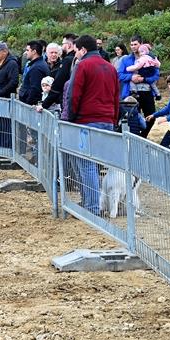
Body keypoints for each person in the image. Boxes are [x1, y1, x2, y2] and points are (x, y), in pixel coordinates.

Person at [68, 35, 120, 214]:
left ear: (82, 50)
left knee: (86, 164)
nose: (75, 54)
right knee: (92, 165)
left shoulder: (83, 65)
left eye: (76, 51)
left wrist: (71, 119)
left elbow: (74, 94)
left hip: (86, 121)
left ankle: (92, 206)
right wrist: (113, 120)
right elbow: (116, 97)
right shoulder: (110, 67)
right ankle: (91, 202)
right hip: (107, 121)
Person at [118, 35, 160, 138]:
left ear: (141, 44)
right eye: (131, 45)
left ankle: (142, 137)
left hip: (147, 92)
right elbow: (119, 75)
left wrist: (144, 79)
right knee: (132, 118)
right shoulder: (125, 59)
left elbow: (156, 75)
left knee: (151, 116)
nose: (133, 47)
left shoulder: (150, 57)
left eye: (135, 44)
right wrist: (131, 77)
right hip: (131, 93)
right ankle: (135, 138)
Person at [0, 41, 20, 148]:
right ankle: (1, 148)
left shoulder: (11, 63)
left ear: (5, 51)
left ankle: (6, 149)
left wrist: (0, 93)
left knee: (5, 126)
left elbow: (13, 82)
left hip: (4, 100)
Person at [46, 33, 78, 109]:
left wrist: (44, 104)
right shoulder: (75, 58)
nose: (62, 46)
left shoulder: (67, 60)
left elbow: (58, 84)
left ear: (69, 45)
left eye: (63, 44)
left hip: (66, 99)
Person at [18, 40, 50, 105]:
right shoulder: (38, 64)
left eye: (27, 50)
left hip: (30, 107)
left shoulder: (36, 68)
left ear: (34, 52)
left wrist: (27, 105)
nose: (25, 53)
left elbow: (35, 89)